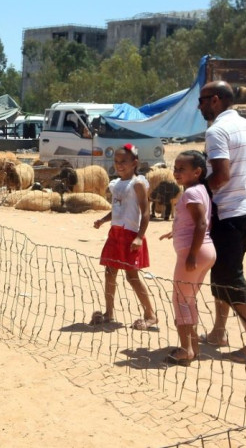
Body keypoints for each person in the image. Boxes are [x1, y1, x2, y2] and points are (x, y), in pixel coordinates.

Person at [198, 80, 246, 364]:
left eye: (202, 100)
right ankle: (218, 332)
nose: (199, 106)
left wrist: (196, 194)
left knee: (230, 275)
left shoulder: (217, 130)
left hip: (229, 213)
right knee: (221, 272)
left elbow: (220, 176)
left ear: (216, 100)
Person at [92, 143, 158, 330]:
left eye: (124, 162)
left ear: (134, 163)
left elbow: (145, 212)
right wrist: (103, 220)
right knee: (109, 273)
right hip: (115, 233)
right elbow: (117, 209)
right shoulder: (116, 184)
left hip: (130, 234)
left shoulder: (137, 184)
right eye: (116, 161)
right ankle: (109, 313)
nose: (119, 165)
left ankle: (150, 314)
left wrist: (139, 236)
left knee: (132, 276)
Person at [159, 150, 216, 365]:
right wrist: (175, 232)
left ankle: (185, 350)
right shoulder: (200, 190)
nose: (176, 172)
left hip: (195, 252)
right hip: (206, 251)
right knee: (188, 299)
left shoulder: (191, 194)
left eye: (182, 169)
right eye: (175, 168)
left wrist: (191, 254)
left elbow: (201, 223)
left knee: (180, 300)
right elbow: (193, 223)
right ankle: (194, 346)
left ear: (197, 172)